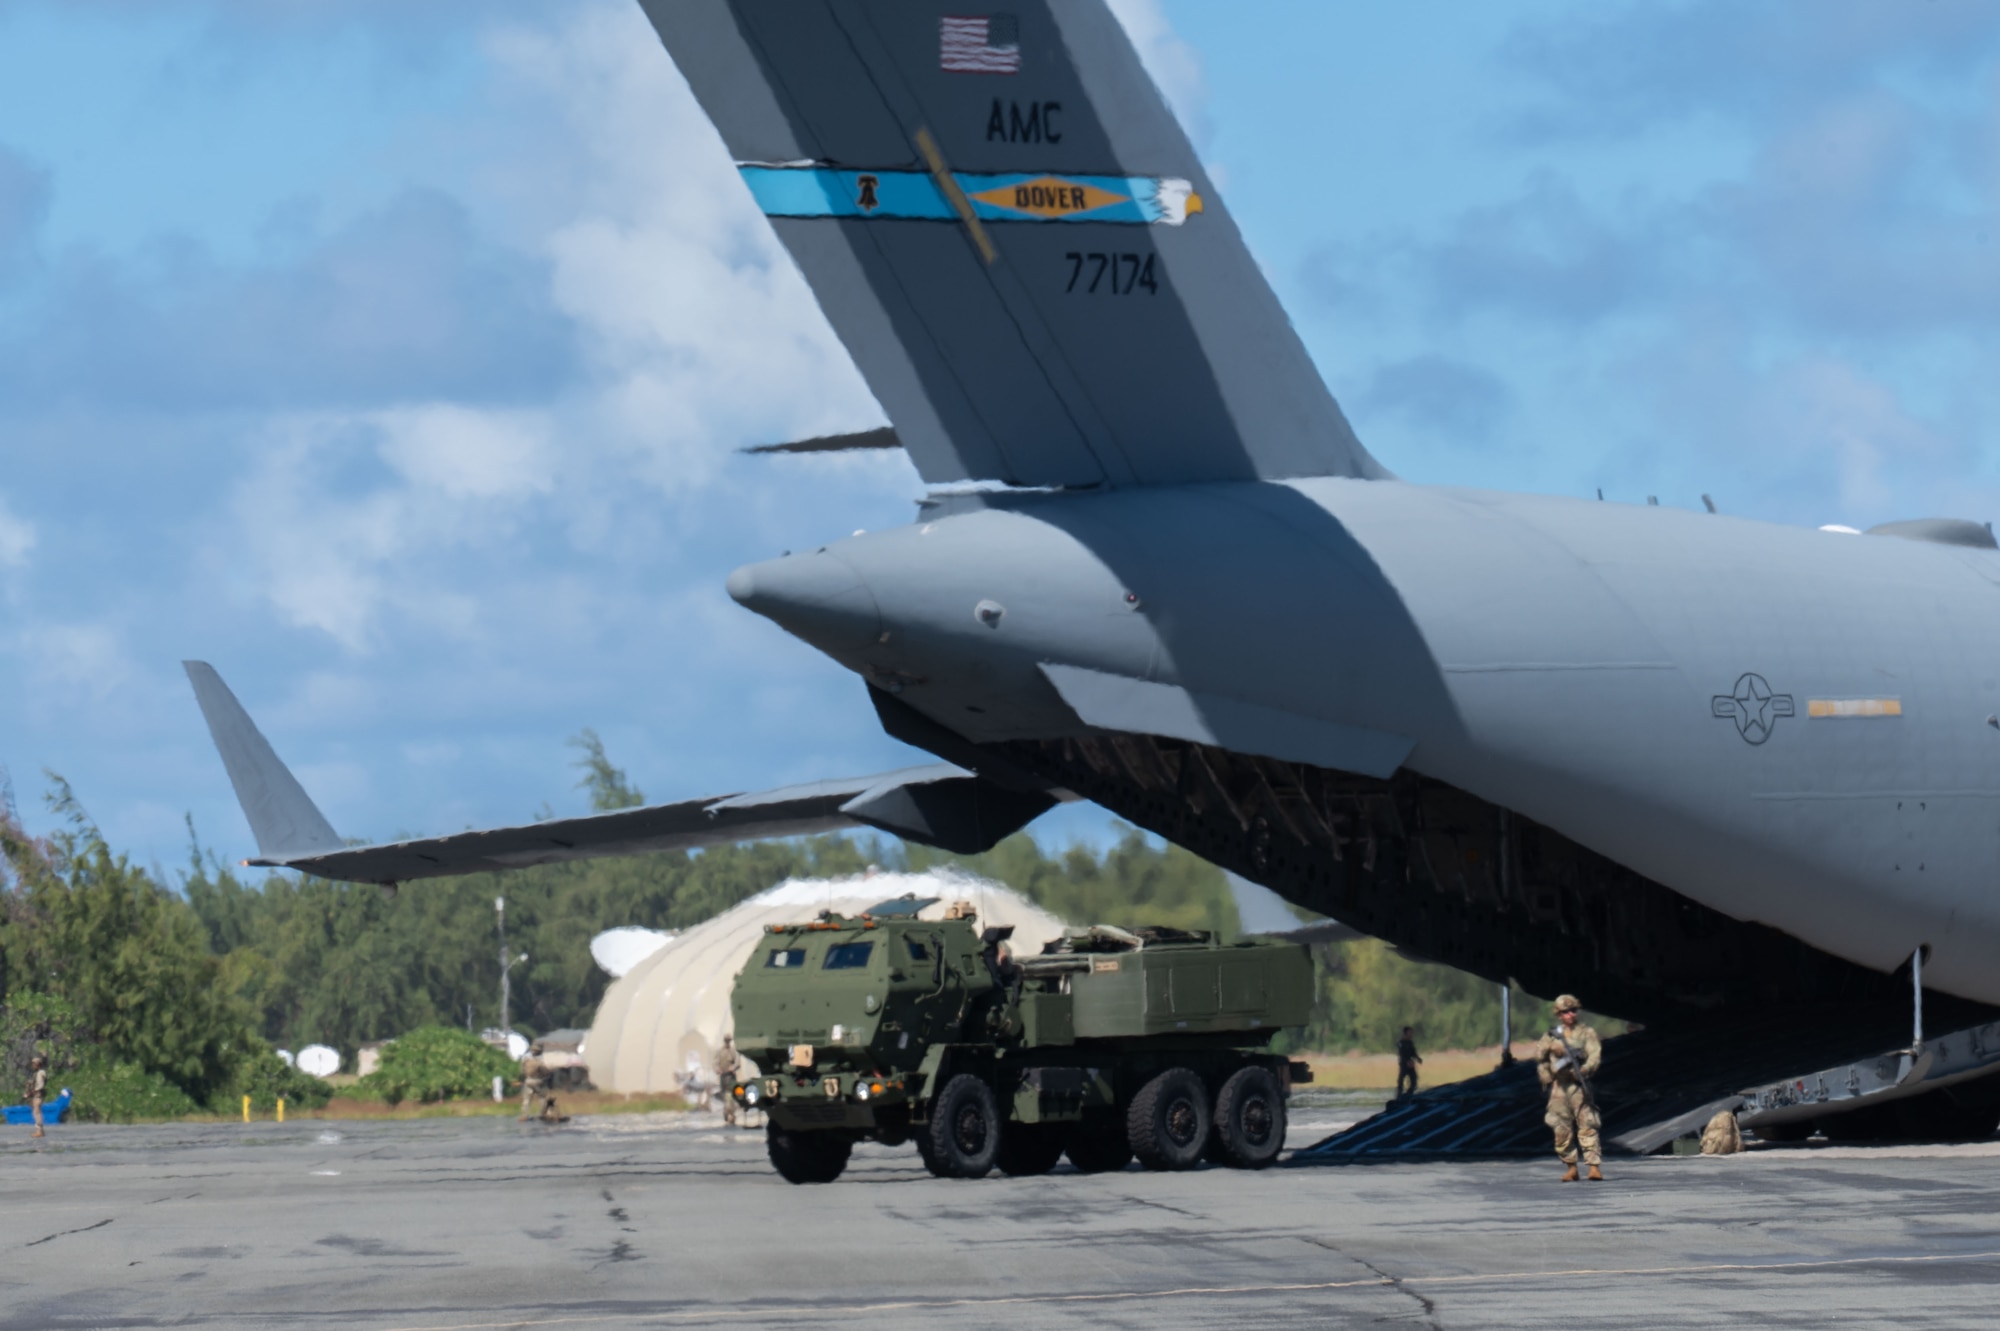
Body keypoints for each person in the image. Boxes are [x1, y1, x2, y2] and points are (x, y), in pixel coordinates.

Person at [1536, 995, 1603, 1181]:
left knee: (1588, 1124)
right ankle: (1571, 1166)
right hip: (1559, 1087)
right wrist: (1546, 1076)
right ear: (1559, 1014)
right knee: (1560, 1127)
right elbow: (1540, 1057)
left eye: (1573, 1010)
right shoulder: (1552, 1035)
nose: (1570, 1015)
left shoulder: (1586, 1033)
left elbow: (1595, 1055)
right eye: (1565, 1012)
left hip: (1578, 1085)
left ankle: (1593, 1167)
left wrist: (1584, 1069)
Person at [519, 1042, 556, 1123]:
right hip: (539, 1081)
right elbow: (545, 1072)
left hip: (528, 1081)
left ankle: (524, 1115)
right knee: (542, 1098)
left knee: (527, 1099)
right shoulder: (541, 1061)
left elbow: (522, 1071)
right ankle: (543, 1114)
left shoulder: (526, 1059)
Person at [715, 1035, 741, 1127]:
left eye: (728, 1041)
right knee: (724, 1096)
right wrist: (717, 1069)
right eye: (726, 1041)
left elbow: (738, 1063)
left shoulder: (733, 1051)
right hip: (723, 1077)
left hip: (731, 1077)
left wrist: (733, 1068)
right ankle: (726, 1112)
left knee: (731, 1097)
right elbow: (715, 1063)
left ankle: (732, 1114)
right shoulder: (720, 1052)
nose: (727, 1042)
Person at [1395, 1027, 1423, 1099]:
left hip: (1411, 1063)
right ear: (1406, 1033)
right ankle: (1399, 1096)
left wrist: (1418, 1058)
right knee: (1401, 1080)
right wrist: (1406, 1062)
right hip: (1404, 1063)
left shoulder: (1410, 1042)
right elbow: (1401, 1054)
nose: (1411, 1034)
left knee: (1414, 1080)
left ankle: (1409, 1095)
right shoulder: (1400, 1042)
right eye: (1410, 1032)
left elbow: (1413, 1052)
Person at [26, 1053, 48, 1138]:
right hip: (36, 1095)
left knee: (37, 1112)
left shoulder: (41, 1073)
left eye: (33, 1064)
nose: (32, 1066)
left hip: (38, 1095)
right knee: (36, 1111)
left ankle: (40, 1131)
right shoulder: (37, 1073)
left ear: (37, 1064)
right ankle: (39, 1130)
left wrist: (31, 1092)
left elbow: (40, 1085)